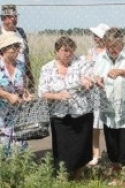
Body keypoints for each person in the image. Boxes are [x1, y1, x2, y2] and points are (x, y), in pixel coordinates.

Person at [39, 36, 95, 179]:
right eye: (65, 50)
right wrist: (57, 96)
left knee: (82, 146)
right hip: (59, 113)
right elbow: (42, 93)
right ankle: (62, 176)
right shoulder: (47, 68)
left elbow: (89, 78)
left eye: (71, 50)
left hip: (81, 112)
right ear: (57, 51)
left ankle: (78, 176)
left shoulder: (81, 64)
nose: (68, 53)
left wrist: (87, 82)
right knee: (62, 148)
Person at [93, 27, 125, 176]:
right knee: (113, 150)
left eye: (114, 46)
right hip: (109, 111)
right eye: (108, 46)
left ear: (121, 43)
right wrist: (97, 80)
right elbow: (95, 75)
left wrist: (122, 72)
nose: (111, 50)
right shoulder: (102, 57)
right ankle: (116, 176)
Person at [0, 4, 35, 92]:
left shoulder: (21, 32)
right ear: (2, 18)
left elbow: (26, 57)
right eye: (9, 16)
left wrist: (31, 78)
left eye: (15, 16)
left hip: (18, 81)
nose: (13, 19)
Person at [84, 23, 109, 166]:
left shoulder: (110, 51)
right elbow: (87, 68)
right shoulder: (91, 51)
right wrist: (92, 78)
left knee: (109, 124)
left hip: (108, 90)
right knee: (95, 124)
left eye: (97, 35)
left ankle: (112, 152)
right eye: (94, 35)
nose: (95, 38)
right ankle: (96, 154)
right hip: (94, 91)